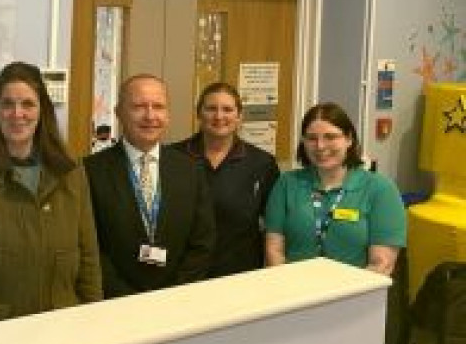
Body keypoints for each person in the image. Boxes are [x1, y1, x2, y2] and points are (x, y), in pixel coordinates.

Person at [0, 62, 102, 328]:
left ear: (43, 111)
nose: (17, 114)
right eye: (7, 104)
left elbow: (88, 255)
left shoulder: (70, 169)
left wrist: (92, 318)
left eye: (28, 104)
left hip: (59, 324)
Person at [85, 74, 215, 296]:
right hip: (114, 303)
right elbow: (90, 247)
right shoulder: (90, 171)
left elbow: (203, 242)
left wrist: (173, 294)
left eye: (158, 106)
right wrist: (125, 297)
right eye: (138, 106)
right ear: (118, 113)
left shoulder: (191, 170)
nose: (150, 115)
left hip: (177, 301)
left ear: (168, 114)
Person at [265, 102, 406, 275]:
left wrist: (337, 299)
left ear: (349, 139)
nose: (320, 146)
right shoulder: (287, 184)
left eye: (330, 137)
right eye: (311, 138)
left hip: (354, 296)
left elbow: (381, 265)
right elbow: (274, 251)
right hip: (295, 294)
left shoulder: (380, 189)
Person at [170, 82, 280, 277]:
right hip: (182, 275)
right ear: (199, 114)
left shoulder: (262, 163)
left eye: (227, 109)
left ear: (239, 116)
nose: (219, 116)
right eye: (211, 108)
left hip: (240, 276)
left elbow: (274, 227)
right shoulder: (172, 157)